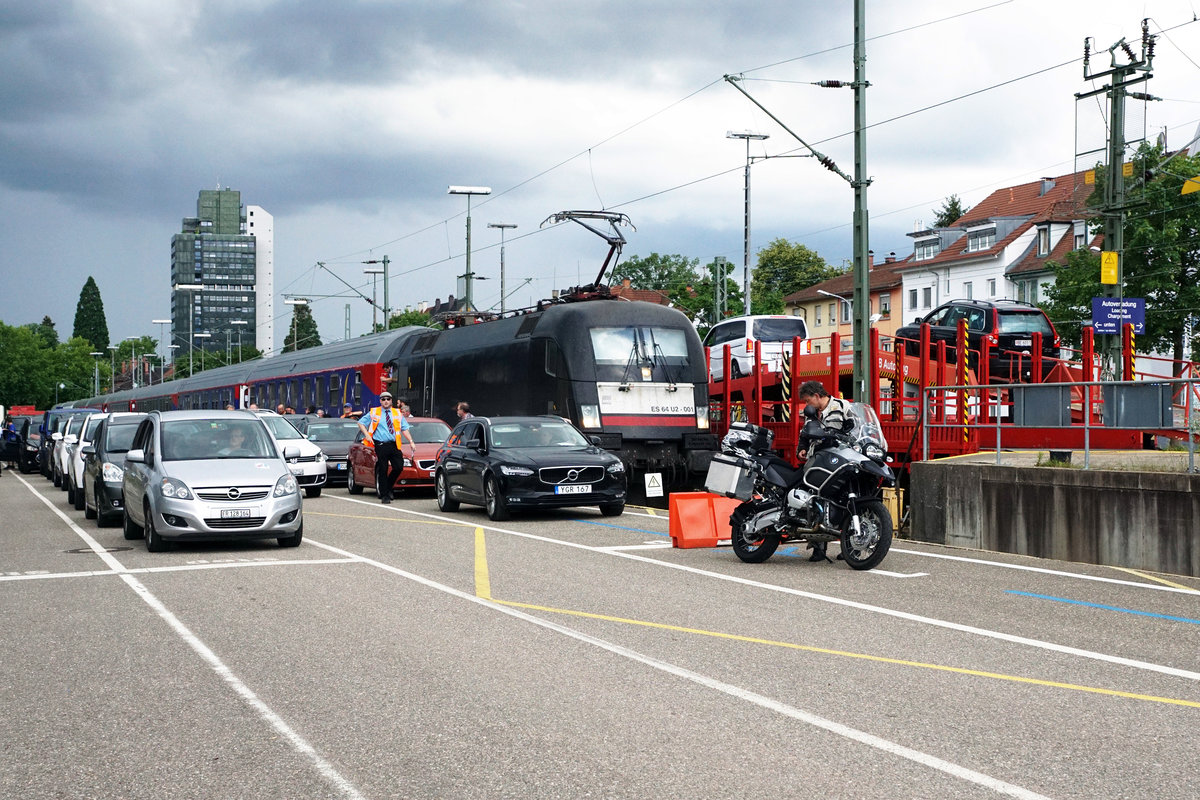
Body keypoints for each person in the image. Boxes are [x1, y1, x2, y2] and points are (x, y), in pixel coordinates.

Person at [795, 380, 852, 562]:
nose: (807, 404)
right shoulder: (810, 413)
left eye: (807, 400)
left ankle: (850, 548)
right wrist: (801, 449)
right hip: (817, 460)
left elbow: (856, 428)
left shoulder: (842, 406)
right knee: (815, 499)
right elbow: (804, 434)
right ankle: (818, 548)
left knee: (847, 500)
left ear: (817, 396)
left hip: (840, 459)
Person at [357, 391, 416, 505]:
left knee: (398, 467)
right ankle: (384, 495)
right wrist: (367, 435)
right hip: (381, 444)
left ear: (391, 401)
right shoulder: (374, 412)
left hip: (394, 444)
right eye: (383, 399)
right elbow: (360, 423)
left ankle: (388, 487)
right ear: (380, 401)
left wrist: (411, 441)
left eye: (388, 399)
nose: (386, 401)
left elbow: (404, 428)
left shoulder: (397, 413)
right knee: (383, 469)